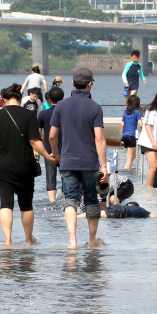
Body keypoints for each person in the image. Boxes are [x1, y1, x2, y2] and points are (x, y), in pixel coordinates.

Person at [0, 83, 57, 246]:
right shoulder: (29, 115)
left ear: (3, 100)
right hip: (24, 165)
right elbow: (35, 141)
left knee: (6, 203)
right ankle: (29, 238)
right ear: (19, 98)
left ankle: (7, 240)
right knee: (26, 204)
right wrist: (48, 157)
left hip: (2, 165)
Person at [49, 67, 109, 249]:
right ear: (90, 84)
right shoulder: (95, 108)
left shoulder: (61, 106)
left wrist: (56, 153)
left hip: (67, 161)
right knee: (91, 199)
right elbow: (99, 138)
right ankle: (92, 240)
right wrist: (104, 166)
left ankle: (73, 241)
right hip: (89, 162)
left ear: (73, 83)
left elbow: (52, 135)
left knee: (70, 200)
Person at [137, 88, 157, 189]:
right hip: (148, 142)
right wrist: (153, 141)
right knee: (154, 166)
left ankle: (156, 188)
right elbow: (147, 126)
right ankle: (149, 190)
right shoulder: (152, 109)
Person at [38, 86, 64, 204]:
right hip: (65, 150)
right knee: (66, 177)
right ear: (62, 99)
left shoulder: (43, 114)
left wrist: (37, 151)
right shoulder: (67, 114)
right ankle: (65, 199)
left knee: (50, 177)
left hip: (49, 151)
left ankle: (52, 202)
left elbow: (38, 134)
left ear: (49, 99)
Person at [120, 94, 143, 171]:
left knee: (133, 155)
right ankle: (127, 171)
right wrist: (143, 132)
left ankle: (126, 166)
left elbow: (122, 125)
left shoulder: (126, 112)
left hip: (125, 136)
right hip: (131, 136)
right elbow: (140, 123)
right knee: (130, 156)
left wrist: (122, 137)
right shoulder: (137, 112)